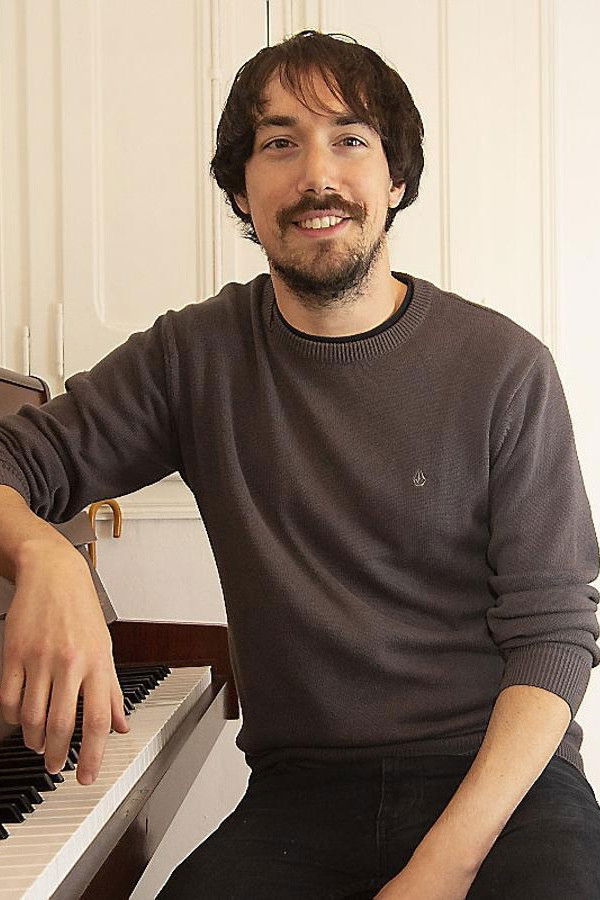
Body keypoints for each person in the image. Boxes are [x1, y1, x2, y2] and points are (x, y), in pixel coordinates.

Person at [0, 28, 599, 899]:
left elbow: (555, 636)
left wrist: (439, 870)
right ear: (242, 191)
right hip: (303, 795)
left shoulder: (505, 368)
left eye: (350, 138)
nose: (317, 175)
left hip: (503, 788)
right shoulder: (193, 357)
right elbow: (16, 460)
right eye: (279, 143)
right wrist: (41, 554)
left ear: (396, 179)